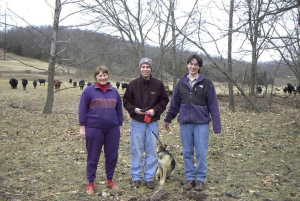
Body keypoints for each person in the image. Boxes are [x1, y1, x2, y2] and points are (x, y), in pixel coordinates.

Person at [164, 54, 221, 191]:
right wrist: (168, 118)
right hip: (185, 123)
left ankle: (200, 179)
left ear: (199, 67)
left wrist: (216, 125)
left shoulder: (207, 83)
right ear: (187, 65)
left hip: (201, 123)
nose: (193, 67)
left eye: (196, 64)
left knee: (201, 152)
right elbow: (175, 103)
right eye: (191, 64)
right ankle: (190, 178)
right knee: (188, 152)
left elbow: (213, 105)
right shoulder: (181, 83)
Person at [123, 57, 169, 189]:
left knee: (151, 150)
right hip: (137, 122)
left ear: (151, 68)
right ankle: (136, 176)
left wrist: (155, 110)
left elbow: (164, 101)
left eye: (148, 67)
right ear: (140, 68)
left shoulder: (158, 84)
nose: (145, 69)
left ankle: (149, 177)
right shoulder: (133, 84)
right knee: (137, 150)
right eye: (143, 66)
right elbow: (126, 101)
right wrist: (134, 110)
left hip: (152, 123)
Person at [79, 66, 123, 194]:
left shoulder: (114, 91)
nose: (102, 77)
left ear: (108, 76)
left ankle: (110, 180)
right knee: (93, 156)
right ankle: (91, 183)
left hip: (112, 130)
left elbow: (119, 110)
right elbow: (82, 109)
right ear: (96, 77)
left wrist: (119, 124)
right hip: (94, 129)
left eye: (104, 75)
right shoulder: (88, 91)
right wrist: (82, 127)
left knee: (112, 155)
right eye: (100, 75)